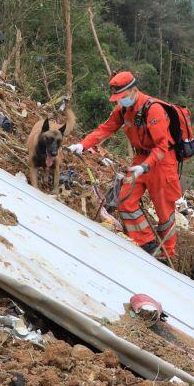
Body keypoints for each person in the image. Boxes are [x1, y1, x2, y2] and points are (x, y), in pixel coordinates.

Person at [68, 72, 182, 258]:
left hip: (161, 161)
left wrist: (146, 166)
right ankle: (147, 244)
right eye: (117, 98)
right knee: (125, 201)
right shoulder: (122, 109)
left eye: (122, 97)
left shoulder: (153, 110)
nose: (119, 101)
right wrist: (83, 144)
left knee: (164, 212)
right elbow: (105, 128)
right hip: (141, 158)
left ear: (134, 90)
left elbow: (162, 145)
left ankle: (167, 253)